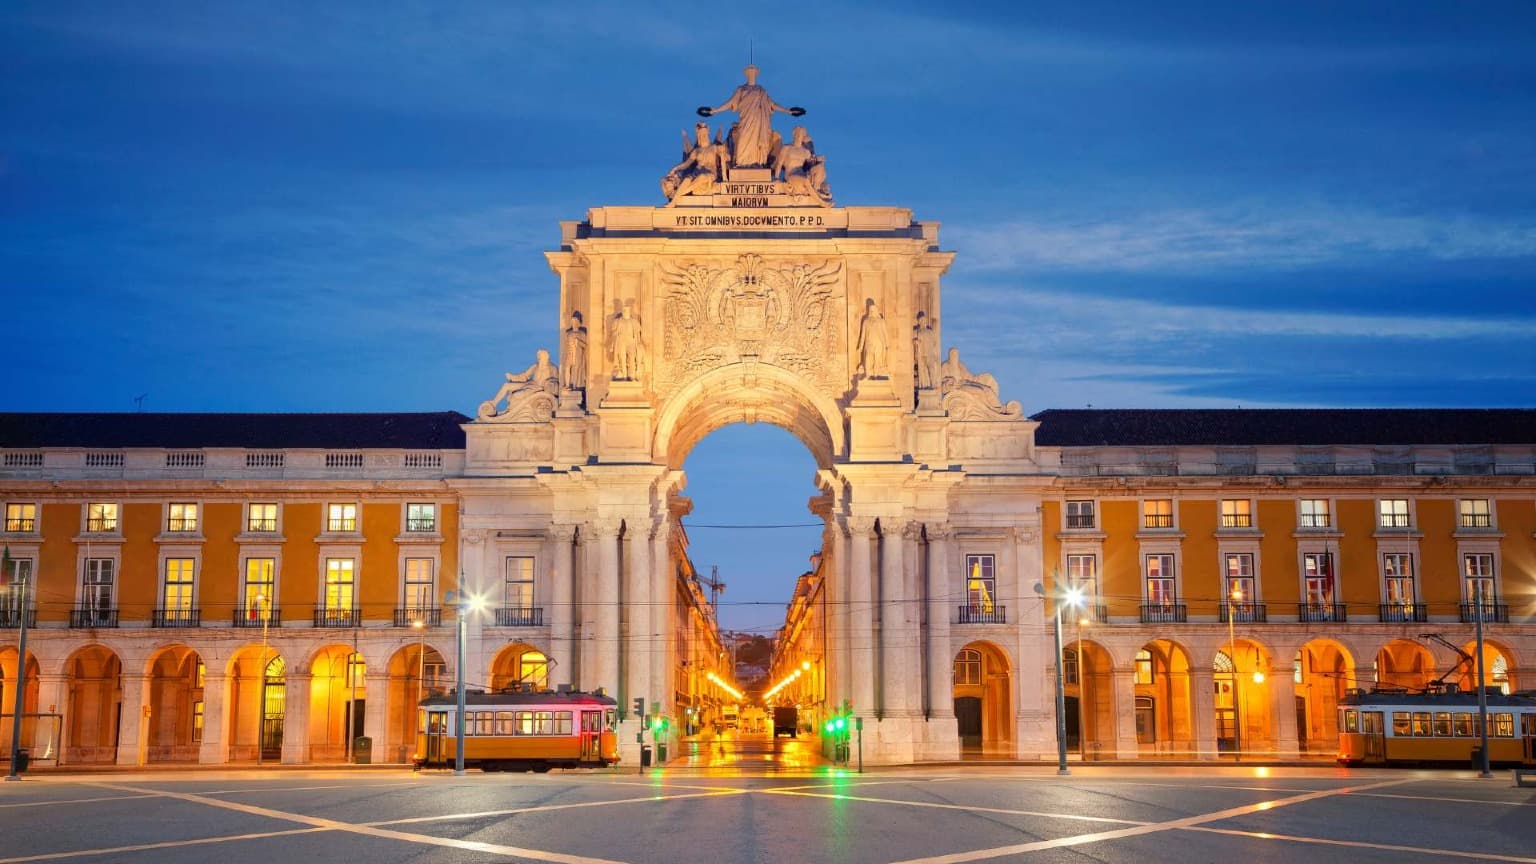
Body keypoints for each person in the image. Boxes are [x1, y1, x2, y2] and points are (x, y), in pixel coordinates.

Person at [698, 65, 804, 169]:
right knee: (742, 141)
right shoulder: (741, 89)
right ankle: (742, 164)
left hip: (758, 122)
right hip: (745, 121)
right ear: (746, 74)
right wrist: (715, 110)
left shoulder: (761, 91)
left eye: (753, 72)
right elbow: (730, 103)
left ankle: (756, 163)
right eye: (749, 72)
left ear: (756, 74)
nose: (751, 74)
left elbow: (772, 105)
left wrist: (788, 111)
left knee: (756, 144)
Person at [608, 306, 645, 381]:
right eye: (624, 310)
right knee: (622, 359)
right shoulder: (617, 321)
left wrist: (639, 344)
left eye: (627, 310)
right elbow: (614, 334)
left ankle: (631, 375)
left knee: (632, 359)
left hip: (631, 342)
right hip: (621, 342)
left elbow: (637, 335)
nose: (625, 311)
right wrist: (612, 345)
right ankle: (623, 375)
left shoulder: (634, 322)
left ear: (629, 311)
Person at [856, 301, 889, 378]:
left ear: (876, 311)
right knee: (867, 360)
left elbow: (885, 333)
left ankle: (875, 376)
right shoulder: (866, 321)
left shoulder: (881, 321)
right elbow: (863, 335)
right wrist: (860, 346)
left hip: (879, 344)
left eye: (873, 310)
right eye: (870, 310)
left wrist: (887, 344)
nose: (872, 311)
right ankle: (868, 376)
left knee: (877, 361)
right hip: (869, 345)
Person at [913, 311, 939, 390]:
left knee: (931, 370)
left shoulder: (930, 332)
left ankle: (933, 385)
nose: (923, 321)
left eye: (924, 320)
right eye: (921, 320)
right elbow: (914, 341)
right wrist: (916, 342)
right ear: (918, 321)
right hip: (922, 354)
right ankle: (924, 386)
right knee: (923, 371)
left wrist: (934, 354)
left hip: (929, 354)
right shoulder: (917, 331)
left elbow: (935, 343)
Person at [561, 311, 587, 390]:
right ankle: (567, 384)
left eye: (575, 321)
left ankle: (574, 386)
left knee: (575, 369)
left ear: (579, 322)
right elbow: (565, 345)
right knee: (567, 368)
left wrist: (578, 342)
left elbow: (585, 345)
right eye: (572, 321)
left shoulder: (582, 333)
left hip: (577, 354)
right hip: (570, 353)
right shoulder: (568, 333)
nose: (574, 323)